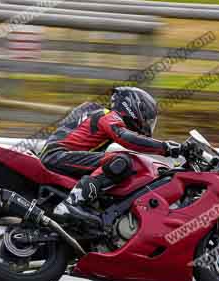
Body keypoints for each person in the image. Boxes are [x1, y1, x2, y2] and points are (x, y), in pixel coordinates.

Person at [40, 87, 181, 228]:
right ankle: (72, 204)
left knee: (116, 163)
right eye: (147, 119)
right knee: (121, 161)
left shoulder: (100, 114)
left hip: (60, 156)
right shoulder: (106, 115)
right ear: (133, 106)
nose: (147, 124)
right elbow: (125, 137)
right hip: (58, 156)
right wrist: (166, 147)